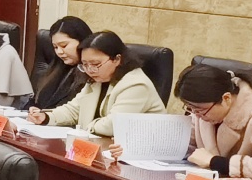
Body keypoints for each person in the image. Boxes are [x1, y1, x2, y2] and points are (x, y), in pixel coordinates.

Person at [27, 31, 163, 138]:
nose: (90, 70)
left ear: (117, 59)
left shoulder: (136, 85)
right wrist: (46, 117)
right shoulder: (97, 79)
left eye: (95, 64)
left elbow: (114, 125)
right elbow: (74, 110)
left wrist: (87, 126)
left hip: (140, 154)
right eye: (85, 64)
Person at [30, 15, 93, 111]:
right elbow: (37, 101)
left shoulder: (93, 73)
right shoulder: (57, 66)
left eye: (64, 45)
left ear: (82, 41)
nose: (59, 52)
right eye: (55, 47)